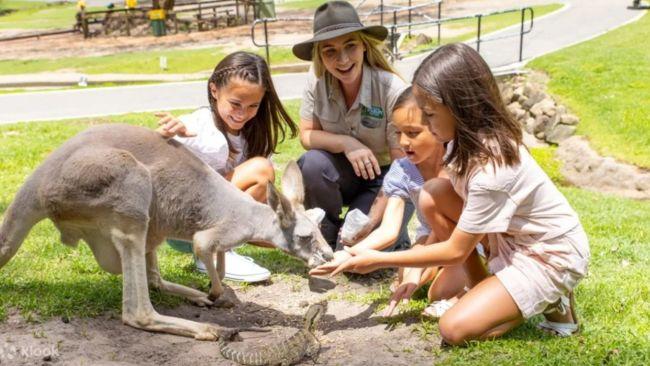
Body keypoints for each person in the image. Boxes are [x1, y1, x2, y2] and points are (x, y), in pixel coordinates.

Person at [314, 43, 590, 344]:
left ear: (459, 107)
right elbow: (439, 223)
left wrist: (377, 259)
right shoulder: (458, 142)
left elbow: (456, 249)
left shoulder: (491, 168)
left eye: (429, 115)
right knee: (433, 193)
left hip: (546, 254)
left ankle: (550, 298)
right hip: (504, 242)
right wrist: (359, 251)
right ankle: (493, 293)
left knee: (453, 329)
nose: (428, 126)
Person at [312, 86, 476, 318]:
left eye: (413, 133)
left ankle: (469, 285)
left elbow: (443, 230)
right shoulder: (402, 170)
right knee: (406, 275)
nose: (403, 142)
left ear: (437, 130)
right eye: (398, 133)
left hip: (464, 237)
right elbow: (389, 230)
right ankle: (441, 276)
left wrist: (417, 271)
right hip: (429, 237)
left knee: (436, 291)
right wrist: (349, 254)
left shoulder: (455, 165)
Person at [155, 51, 298, 283]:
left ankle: (221, 249)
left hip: (207, 218)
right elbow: (148, 160)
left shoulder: (252, 135)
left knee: (282, 228)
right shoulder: (196, 125)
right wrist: (165, 135)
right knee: (261, 171)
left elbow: (255, 206)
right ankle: (211, 253)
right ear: (214, 90)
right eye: (235, 104)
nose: (242, 114)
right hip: (182, 223)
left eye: (253, 106)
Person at [293, 0, 413, 251]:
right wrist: (347, 143)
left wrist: (373, 220)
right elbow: (306, 135)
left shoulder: (392, 88)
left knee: (353, 252)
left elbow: (403, 166)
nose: (343, 59)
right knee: (311, 163)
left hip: (385, 177)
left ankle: (391, 233)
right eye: (330, 51)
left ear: (364, 46)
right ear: (319, 56)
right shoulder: (315, 82)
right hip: (341, 175)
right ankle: (326, 230)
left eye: (350, 46)